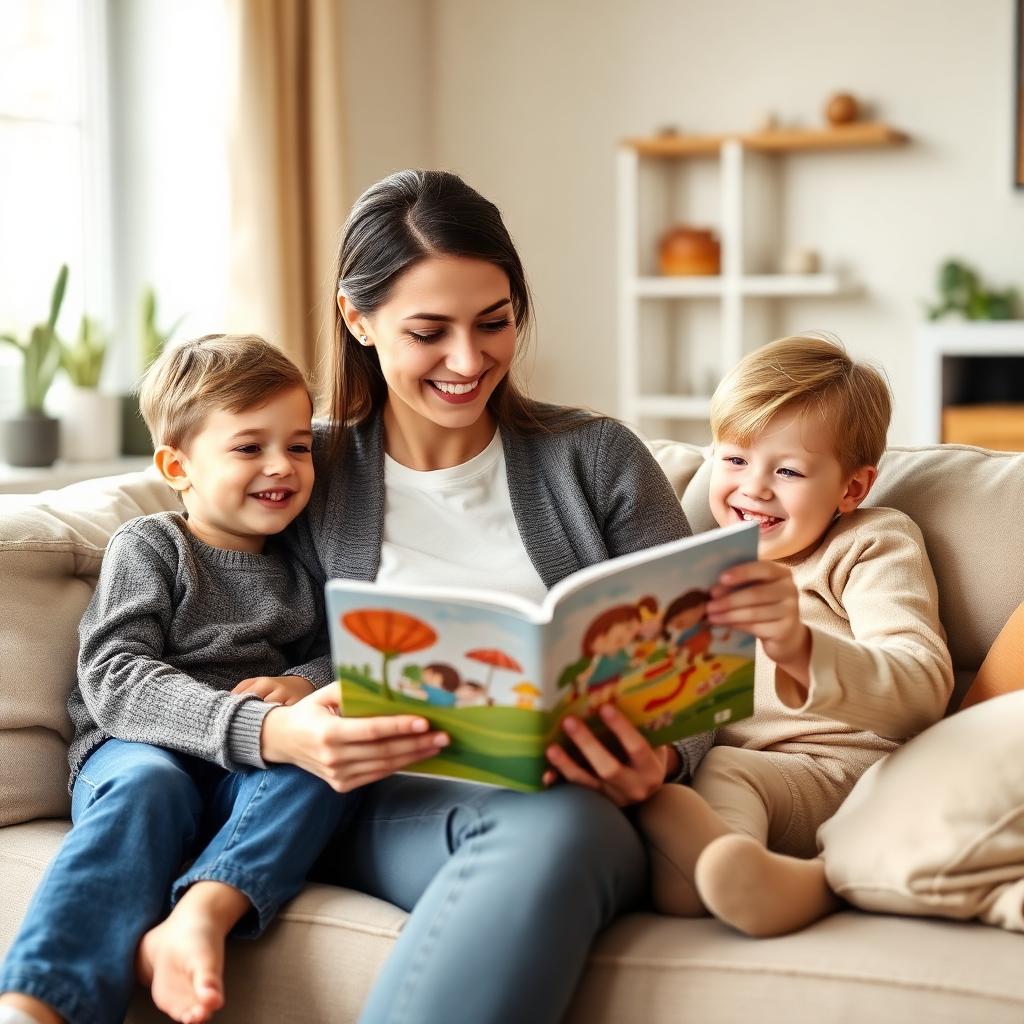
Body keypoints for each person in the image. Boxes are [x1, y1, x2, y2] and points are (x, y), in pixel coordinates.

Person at [276, 168, 713, 1024]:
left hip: (581, 800)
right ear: (357, 320)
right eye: (428, 332)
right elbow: (238, 645)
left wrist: (659, 760)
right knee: (555, 829)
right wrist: (291, 717)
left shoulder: (597, 458)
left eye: (495, 323)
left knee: (564, 823)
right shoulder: (303, 472)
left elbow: (692, 668)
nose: (468, 362)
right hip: (384, 803)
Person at [0, 335, 447, 1024]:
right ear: (177, 466)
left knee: (326, 770)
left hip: (256, 775)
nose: (282, 466)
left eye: (298, 446)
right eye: (249, 447)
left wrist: (302, 683)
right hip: (137, 754)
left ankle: (204, 913)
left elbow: (345, 658)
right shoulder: (152, 546)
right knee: (151, 784)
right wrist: (252, 725)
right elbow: (115, 676)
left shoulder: (306, 564)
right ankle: (39, 1002)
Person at [636, 334, 955, 937]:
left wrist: (798, 647)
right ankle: (708, 879)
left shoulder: (870, 542)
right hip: (742, 771)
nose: (754, 488)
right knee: (670, 788)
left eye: (787, 470)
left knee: (725, 773)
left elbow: (923, 684)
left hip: (845, 770)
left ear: (852, 489)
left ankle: (804, 887)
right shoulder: (697, 557)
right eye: (733, 460)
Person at [739, 599, 1024, 937]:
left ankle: (777, 882)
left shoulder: (863, 549)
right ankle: (723, 873)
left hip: (854, 767)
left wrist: (803, 651)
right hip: (771, 775)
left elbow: (919, 693)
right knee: (722, 768)